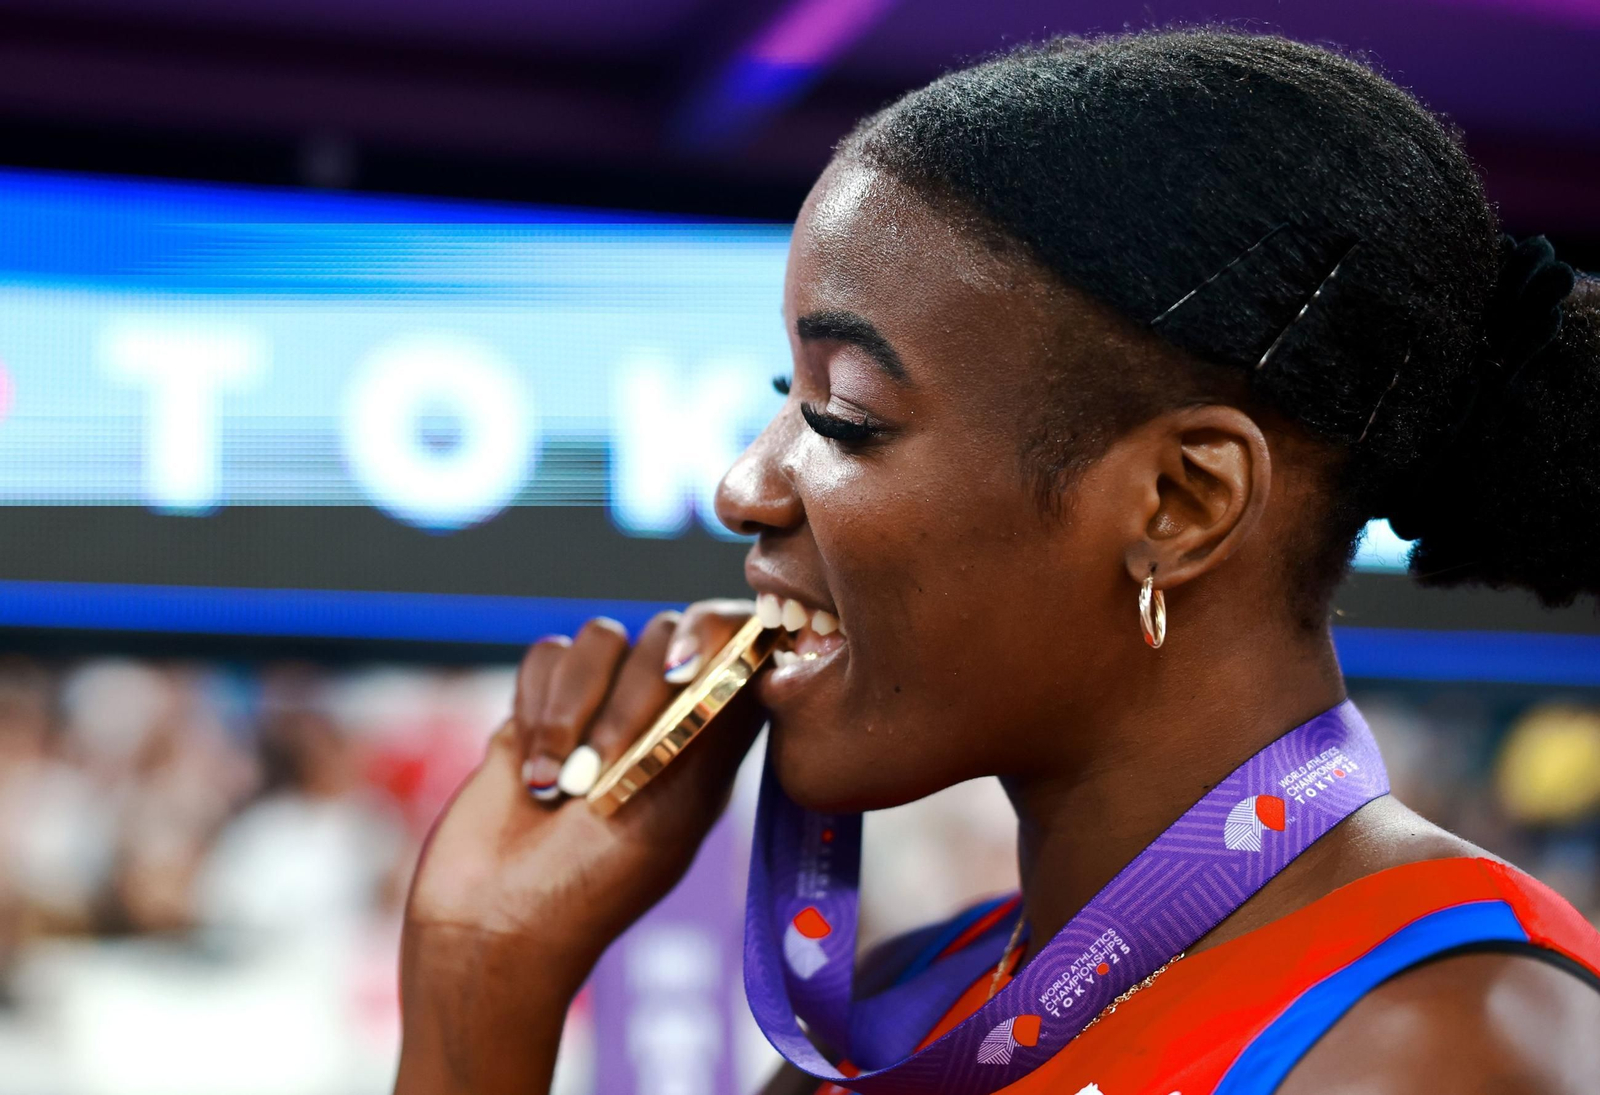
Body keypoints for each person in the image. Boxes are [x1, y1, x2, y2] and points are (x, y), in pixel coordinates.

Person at [393, 29, 1600, 1095]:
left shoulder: (1444, 1050)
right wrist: (482, 972)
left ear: (1182, 501)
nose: (743, 488)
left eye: (843, 415)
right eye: (785, 397)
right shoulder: (912, 1010)